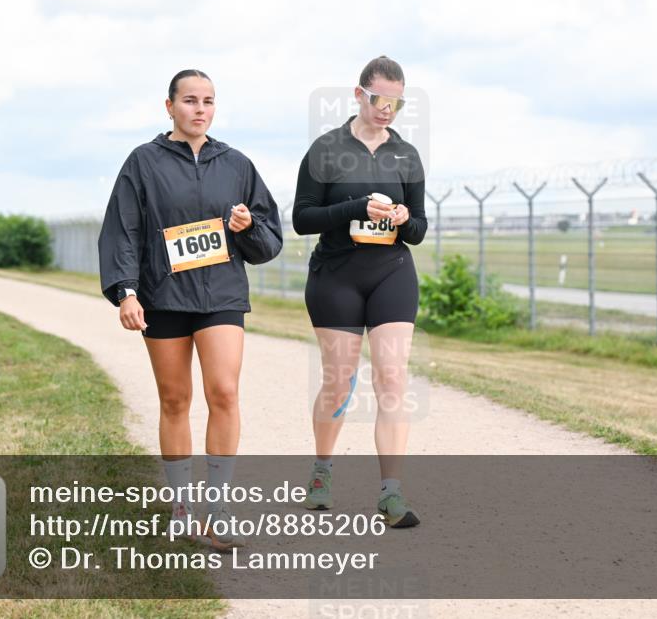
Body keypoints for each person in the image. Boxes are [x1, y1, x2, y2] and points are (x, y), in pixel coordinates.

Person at [98, 69, 283, 548]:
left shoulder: (236, 164)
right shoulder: (143, 162)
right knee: (175, 400)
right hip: (164, 296)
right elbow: (124, 231)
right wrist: (126, 291)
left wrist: (246, 227)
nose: (200, 109)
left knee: (223, 392)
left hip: (220, 295)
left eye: (209, 101)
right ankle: (180, 510)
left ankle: (217, 508)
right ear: (170, 107)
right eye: (190, 101)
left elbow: (268, 241)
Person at [293, 56, 427, 528]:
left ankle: (391, 494)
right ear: (358, 94)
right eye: (379, 99)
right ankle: (322, 473)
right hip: (336, 275)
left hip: (391, 271)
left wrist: (404, 220)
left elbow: (419, 229)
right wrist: (356, 207)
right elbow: (303, 218)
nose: (387, 109)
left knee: (392, 379)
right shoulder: (326, 150)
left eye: (396, 102)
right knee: (340, 381)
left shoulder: (406, 154)